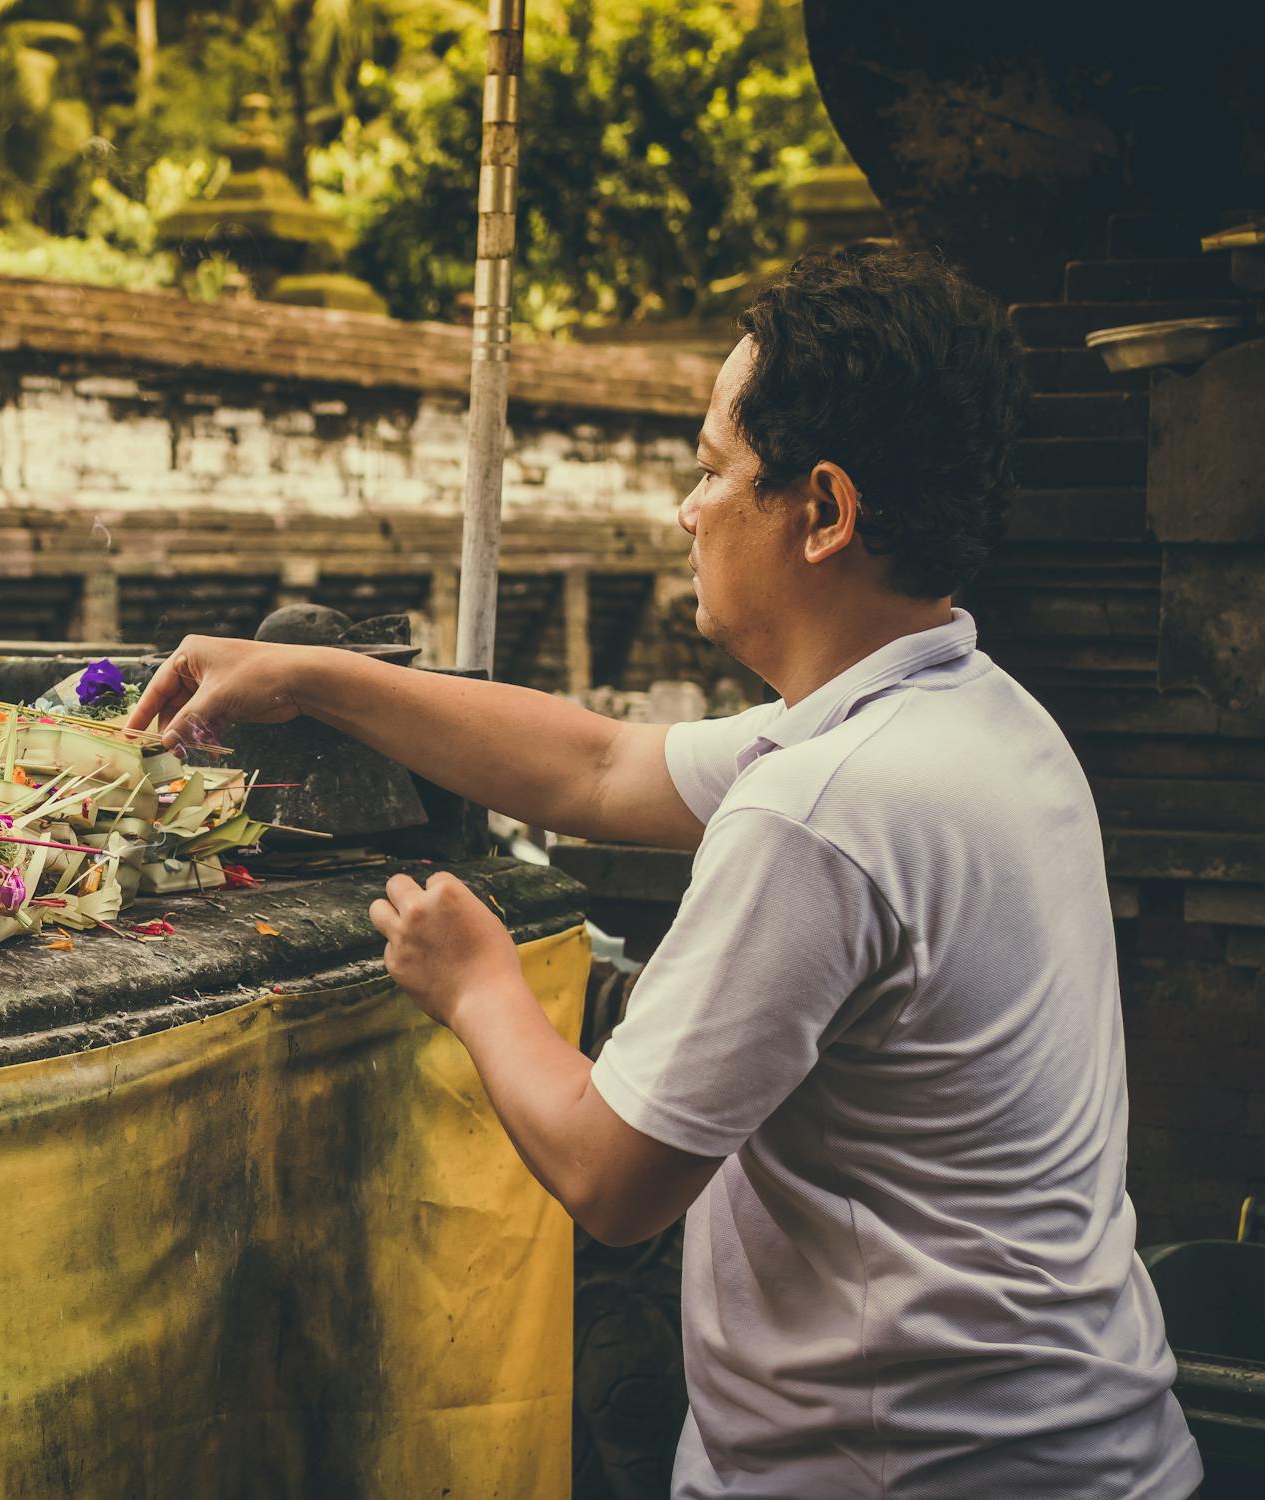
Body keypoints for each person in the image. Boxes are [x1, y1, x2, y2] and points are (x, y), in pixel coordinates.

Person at [129, 249, 1202, 1498]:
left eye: (710, 469)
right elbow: (598, 767)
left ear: (825, 510)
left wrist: (476, 983)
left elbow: (611, 1175)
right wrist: (310, 675)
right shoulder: (974, 715)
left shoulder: (824, 809)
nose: (686, 511)